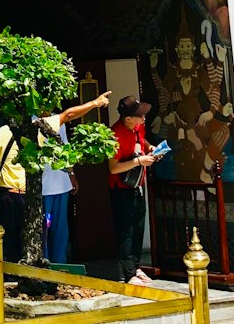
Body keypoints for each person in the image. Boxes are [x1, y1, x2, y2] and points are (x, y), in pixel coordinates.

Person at [40, 92, 112, 266]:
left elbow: (65, 149)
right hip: (44, 187)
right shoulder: (35, 121)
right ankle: (44, 266)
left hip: (61, 184)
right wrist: (94, 103)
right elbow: (70, 114)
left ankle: (60, 266)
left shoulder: (58, 121)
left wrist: (72, 174)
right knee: (43, 229)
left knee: (60, 230)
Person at [107, 95, 160, 285]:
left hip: (138, 185)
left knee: (138, 227)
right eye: (139, 116)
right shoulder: (115, 135)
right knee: (126, 230)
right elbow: (113, 167)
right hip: (121, 189)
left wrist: (151, 148)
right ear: (127, 118)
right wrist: (139, 161)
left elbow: (142, 140)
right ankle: (128, 273)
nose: (143, 119)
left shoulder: (137, 128)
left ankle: (136, 267)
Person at [0, 121, 27, 262]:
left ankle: (11, 272)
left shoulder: (0, 131)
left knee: (9, 237)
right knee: (27, 237)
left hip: (6, 193)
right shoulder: (33, 128)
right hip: (26, 192)